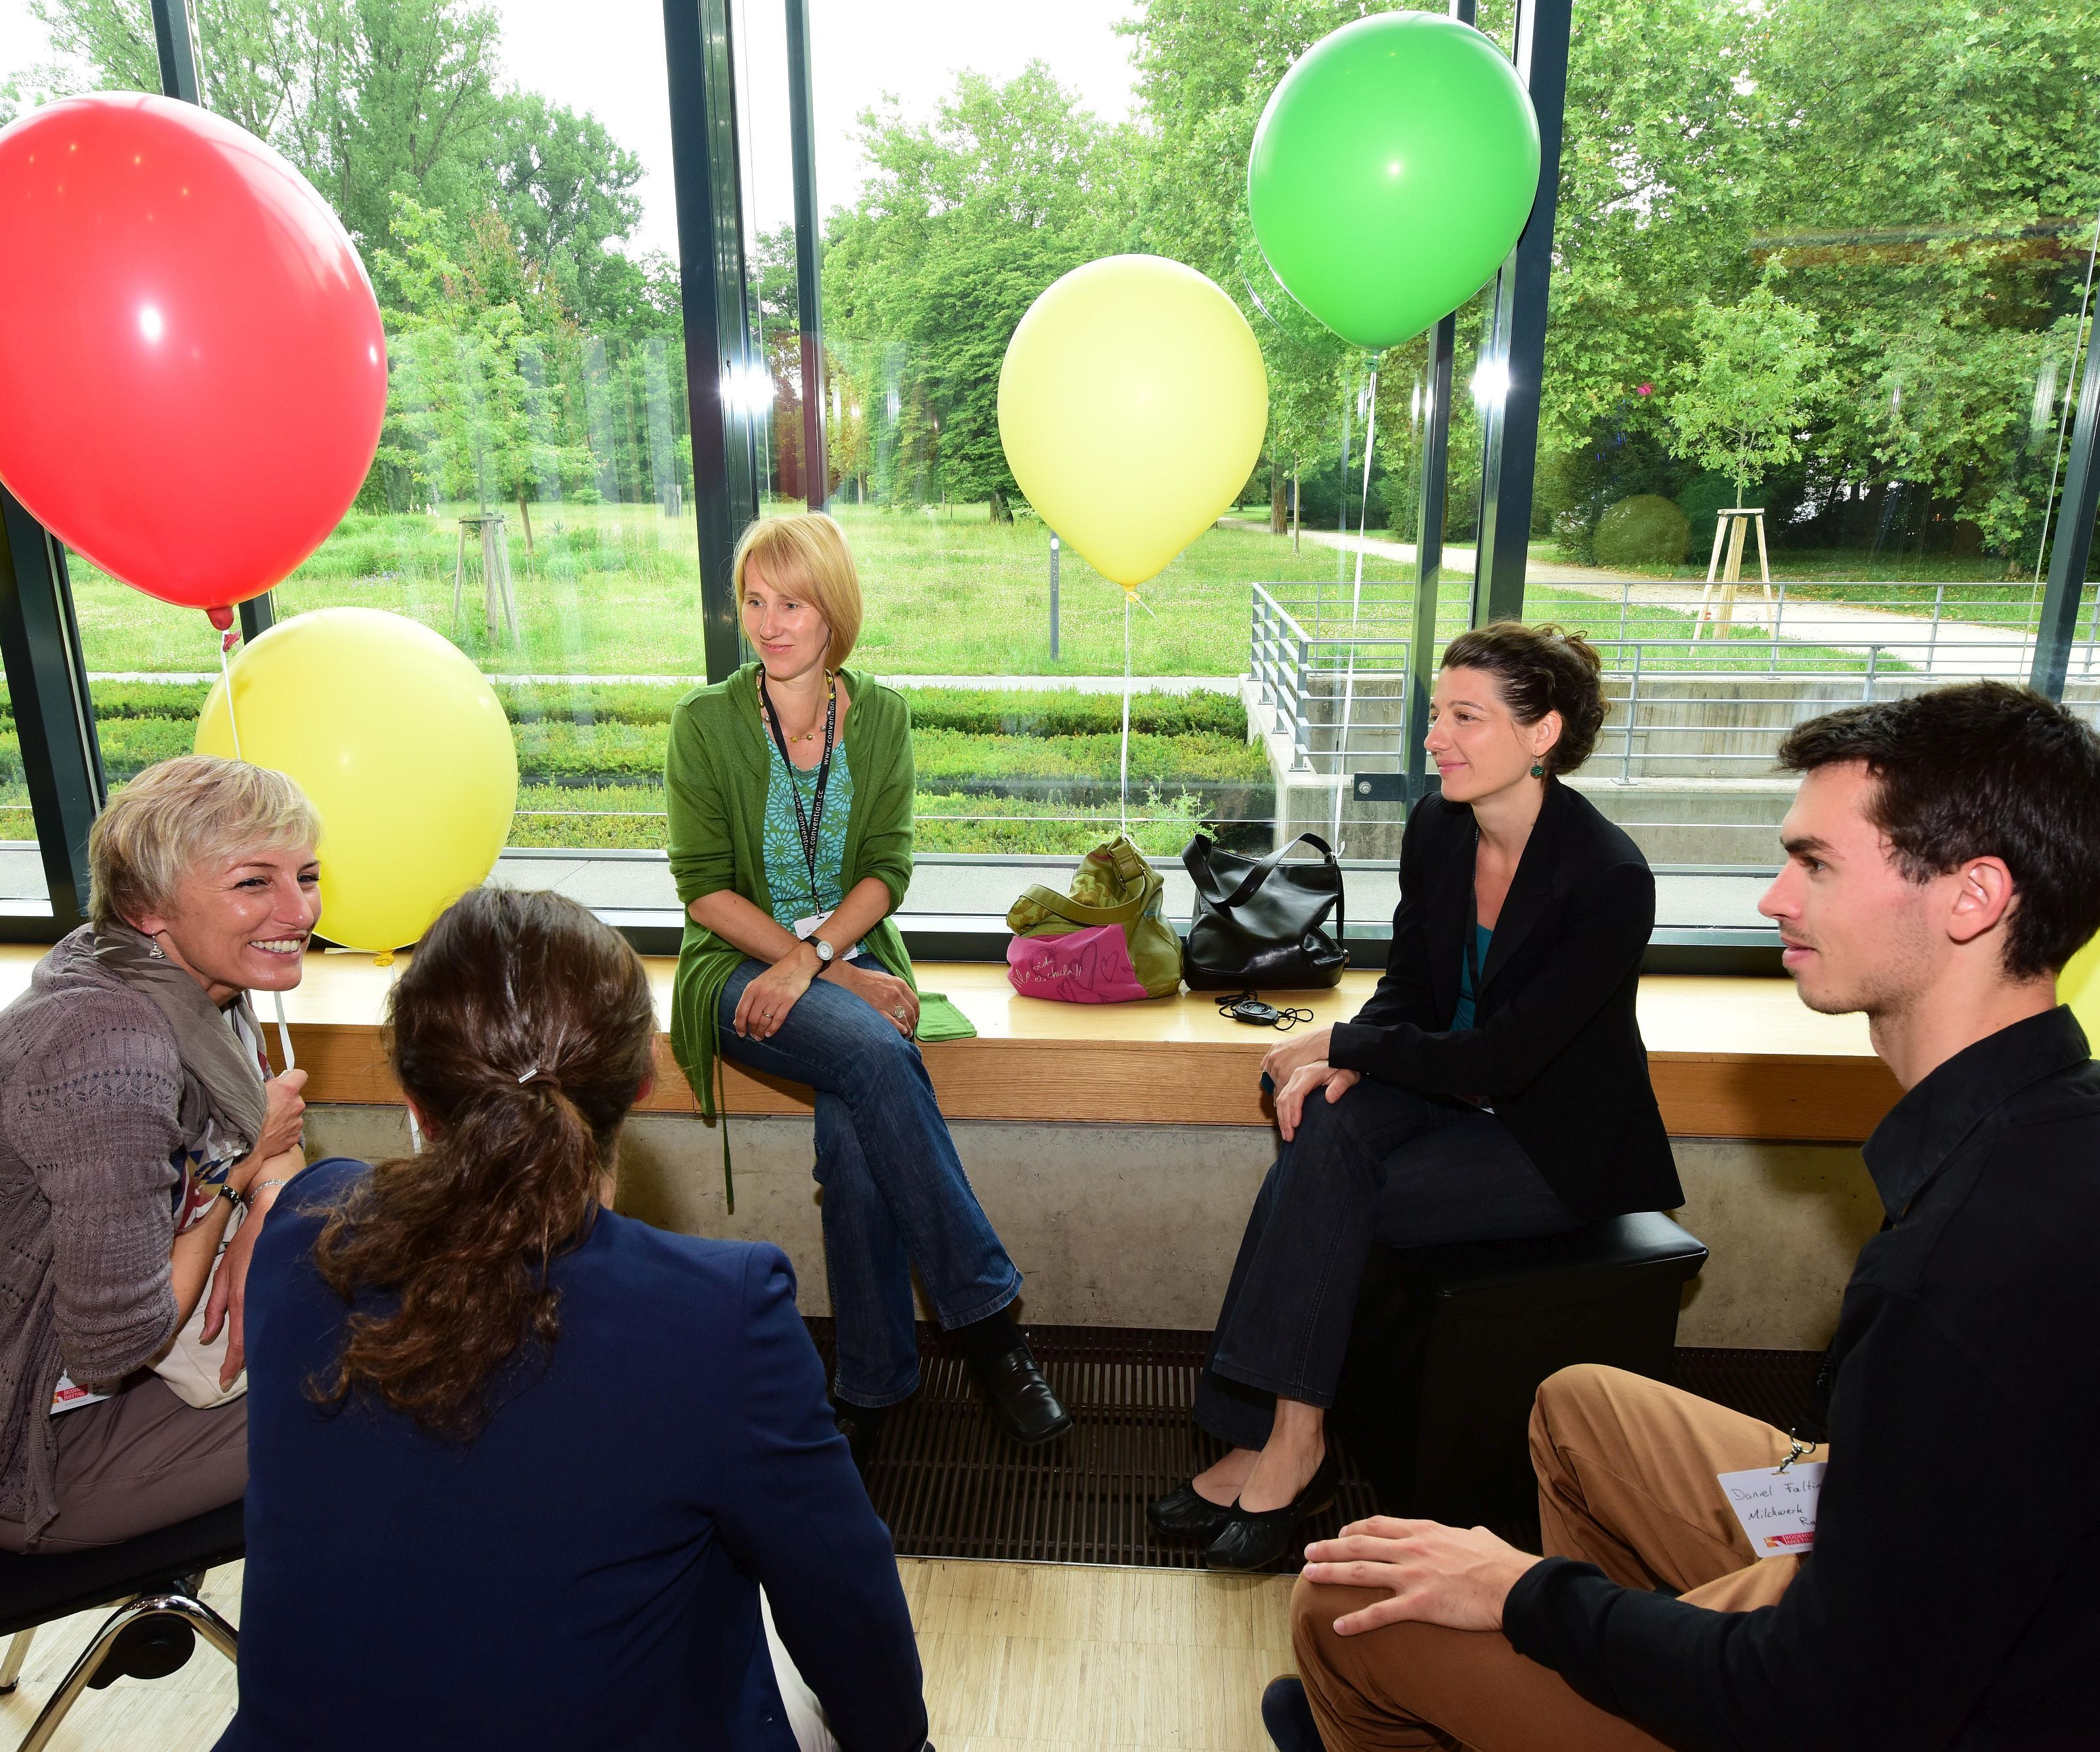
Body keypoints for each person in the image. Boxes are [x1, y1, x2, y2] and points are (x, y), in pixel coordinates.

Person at [1274, 680, 2100, 1752]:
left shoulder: (1960, 1268)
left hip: (1865, 1695)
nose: (1774, 900)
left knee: (1346, 1611)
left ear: (1973, 898)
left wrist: (1525, 1594)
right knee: (1581, 1410)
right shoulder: (2045, 1123)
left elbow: (1830, 1700)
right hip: (1886, 1565)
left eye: (1815, 865)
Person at [220, 887, 930, 1752]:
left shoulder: (303, 1229)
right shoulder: (722, 1313)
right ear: (640, 1079)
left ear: (412, 1093)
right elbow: (849, 1615)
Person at [1151, 623, 1680, 1572]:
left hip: (1551, 1142)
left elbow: (1510, 1059)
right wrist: (1354, 1060)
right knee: (1323, 1123)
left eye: (1465, 717)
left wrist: (1348, 1042)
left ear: (1543, 732)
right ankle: (1283, 1435)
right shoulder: (1439, 827)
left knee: (1327, 1181)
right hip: (1449, 1090)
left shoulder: (1607, 876)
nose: (1435, 736)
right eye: (1437, 713)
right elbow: (1413, 989)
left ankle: (1276, 1437)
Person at [665, 511, 1068, 1455]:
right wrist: (811, 966)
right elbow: (704, 890)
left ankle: (879, 1381)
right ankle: (992, 1331)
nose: (768, 623)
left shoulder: (881, 717)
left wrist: (830, 963)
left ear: (833, 611)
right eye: (754, 602)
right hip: (736, 972)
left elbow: (888, 866)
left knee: (854, 1133)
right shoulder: (706, 723)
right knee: (881, 1058)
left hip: (847, 959)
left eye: (792, 602)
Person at [0, 755, 314, 1556]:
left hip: (102, 1384)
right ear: (148, 907)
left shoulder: (176, 974)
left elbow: (271, 1127)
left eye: (307, 875)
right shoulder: (111, 1046)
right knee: (449, 1370)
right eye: (254, 883)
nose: (299, 908)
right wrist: (234, 1183)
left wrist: (268, 1197)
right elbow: (112, 1348)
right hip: (36, 1447)